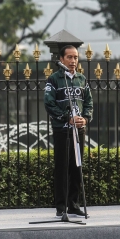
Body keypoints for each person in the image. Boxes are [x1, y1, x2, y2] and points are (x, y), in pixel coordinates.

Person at [44, 45, 93, 218]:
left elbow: (88, 103)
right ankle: (61, 206)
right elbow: (49, 104)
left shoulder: (82, 79)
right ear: (61, 60)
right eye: (70, 57)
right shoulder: (54, 80)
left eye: (76, 57)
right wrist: (66, 117)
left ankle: (74, 204)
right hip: (62, 130)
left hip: (79, 131)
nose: (73, 61)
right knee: (62, 167)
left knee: (76, 167)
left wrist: (85, 119)